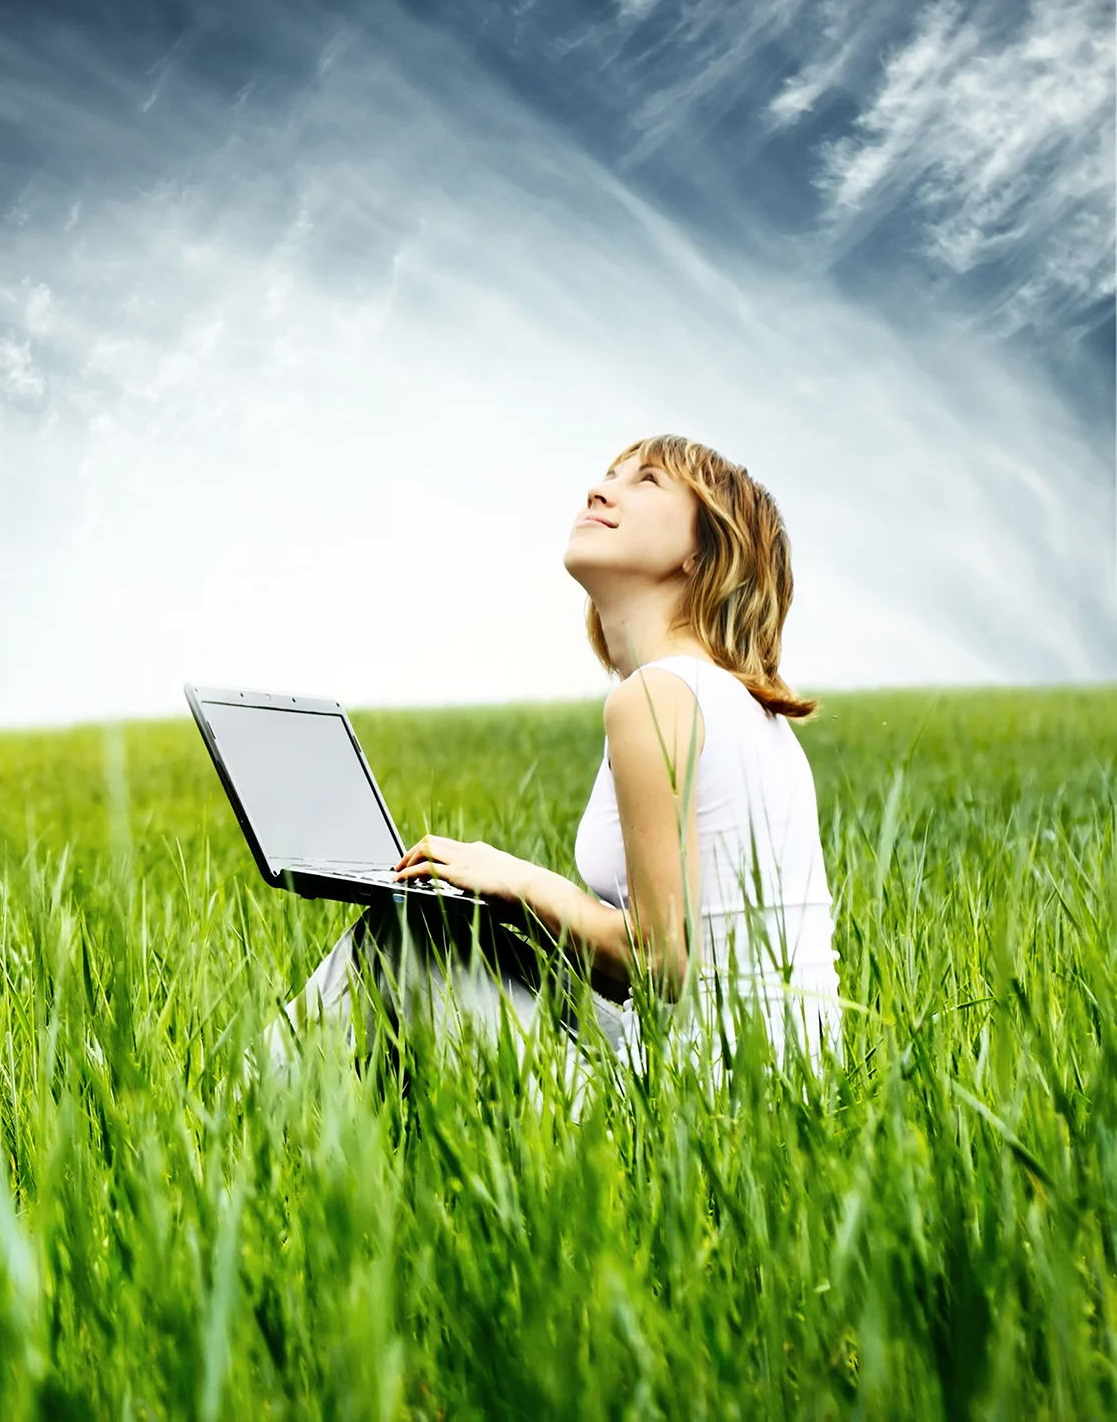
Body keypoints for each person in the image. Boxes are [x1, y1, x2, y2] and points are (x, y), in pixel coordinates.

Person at [295, 434, 843, 1064]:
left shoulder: (659, 695)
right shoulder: (733, 704)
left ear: (704, 552)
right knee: (440, 927)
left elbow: (662, 963)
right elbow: (663, 977)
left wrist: (515, 879)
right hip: (772, 1076)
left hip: (708, 1097)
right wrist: (496, 907)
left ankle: (238, 1104)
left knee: (403, 934)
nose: (599, 490)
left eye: (647, 481)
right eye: (611, 473)